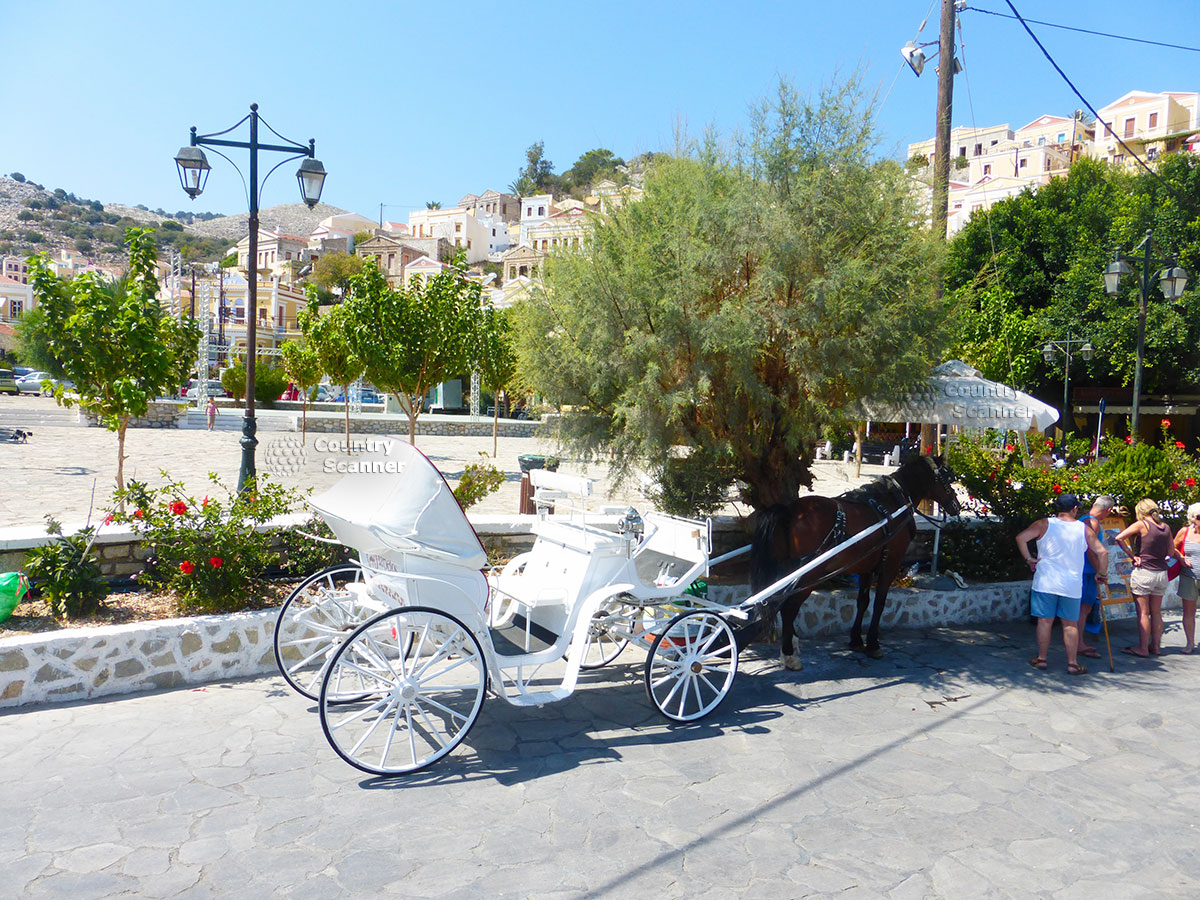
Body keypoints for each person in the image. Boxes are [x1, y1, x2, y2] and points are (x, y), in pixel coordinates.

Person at [1015, 493, 1109, 675]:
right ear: (1074, 509)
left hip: (1045, 582)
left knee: (1045, 621)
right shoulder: (1083, 529)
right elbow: (1102, 552)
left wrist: (1029, 559)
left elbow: (1021, 538)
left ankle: (1042, 659)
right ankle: (1072, 663)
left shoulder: (1044, 524)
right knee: (1070, 625)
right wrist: (1102, 573)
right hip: (1071, 584)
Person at [1115, 498, 1190, 657]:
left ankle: (1142, 648)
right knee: (1156, 612)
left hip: (1144, 572)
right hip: (1161, 573)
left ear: (1141, 511)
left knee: (1143, 613)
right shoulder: (1165, 527)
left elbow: (1119, 537)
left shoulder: (1142, 524)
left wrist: (1132, 556)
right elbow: (1171, 552)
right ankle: (1155, 646)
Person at [1075, 494, 1116, 659]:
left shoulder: (1083, 520)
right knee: (1084, 608)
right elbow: (1090, 550)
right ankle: (1079, 643)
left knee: (1082, 608)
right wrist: (1100, 571)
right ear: (1108, 510)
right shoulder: (1092, 523)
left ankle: (1077, 641)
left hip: (1082, 570)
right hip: (1087, 572)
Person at [1173, 502, 1200, 654]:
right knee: (1189, 612)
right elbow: (1172, 547)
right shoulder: (1185, 532)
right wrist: (1181, 557)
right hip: (1189, 577)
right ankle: (1190, 643)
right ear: (1192, 517)